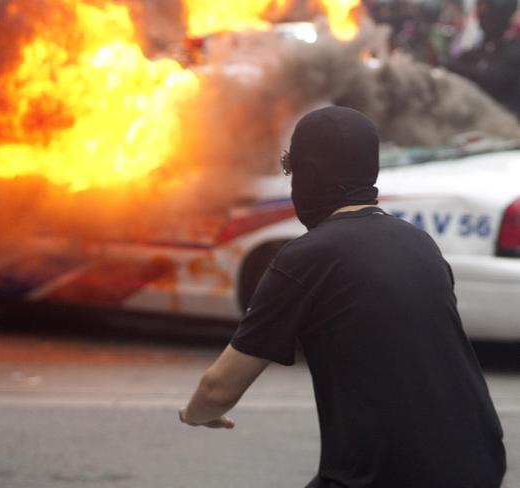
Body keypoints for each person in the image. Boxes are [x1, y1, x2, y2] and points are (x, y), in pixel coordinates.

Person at [178, 106, 506, 487]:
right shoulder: (420, 243)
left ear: (309, 174)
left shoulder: (308, 257)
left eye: (293, 169)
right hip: (479, 461)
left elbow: (219, 388)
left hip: (388, 476)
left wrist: (196, 413)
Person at [448, 0, 520, 117]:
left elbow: (492, 79)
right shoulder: (489, 44)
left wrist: (457, 66)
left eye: (484, 9)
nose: (481, 16)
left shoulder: (514, 49)